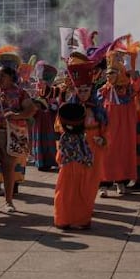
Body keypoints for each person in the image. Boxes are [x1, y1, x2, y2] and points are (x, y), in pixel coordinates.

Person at [0, 65, 36, 213]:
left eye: (2, 76)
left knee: (8, 168)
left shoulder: (20, 92)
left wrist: (16, 116)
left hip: (10, 135)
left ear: (11, 77)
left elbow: (31, 109)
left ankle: (9, 201)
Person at [54, 84, 104, 231]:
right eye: (80, 90)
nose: (82, 94)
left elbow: (107, 127)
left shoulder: (98, 108)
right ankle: (63, 218)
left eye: (86, 90)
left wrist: (103, 138)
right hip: (70, 149)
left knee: (87, 186)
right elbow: (58, 126)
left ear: (91, 90)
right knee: (65, 185)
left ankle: (81, 219)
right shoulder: (68, 107)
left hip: (92, 149)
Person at [99, 56, 139, 196]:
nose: (108, 76)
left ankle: (121, 182)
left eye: (112, 73)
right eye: (108, 73)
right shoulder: (104, 89)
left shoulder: (127, 89)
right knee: (106, 155)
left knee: (122, 153)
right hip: (108, 128)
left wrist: (132, 72)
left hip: (123, 128)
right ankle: (104, 185)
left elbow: (139, 86)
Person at [30, 62, 60, 172]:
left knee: (49, 141)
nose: (39, 82)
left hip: (49, 120)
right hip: (38, 120)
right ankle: (40, 162)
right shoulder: (36, 92)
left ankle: (51, 161)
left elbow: (57, 105)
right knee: (39, 140)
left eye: (41, 80)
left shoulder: (55, 91)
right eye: (38, 80)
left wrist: (50, 105)